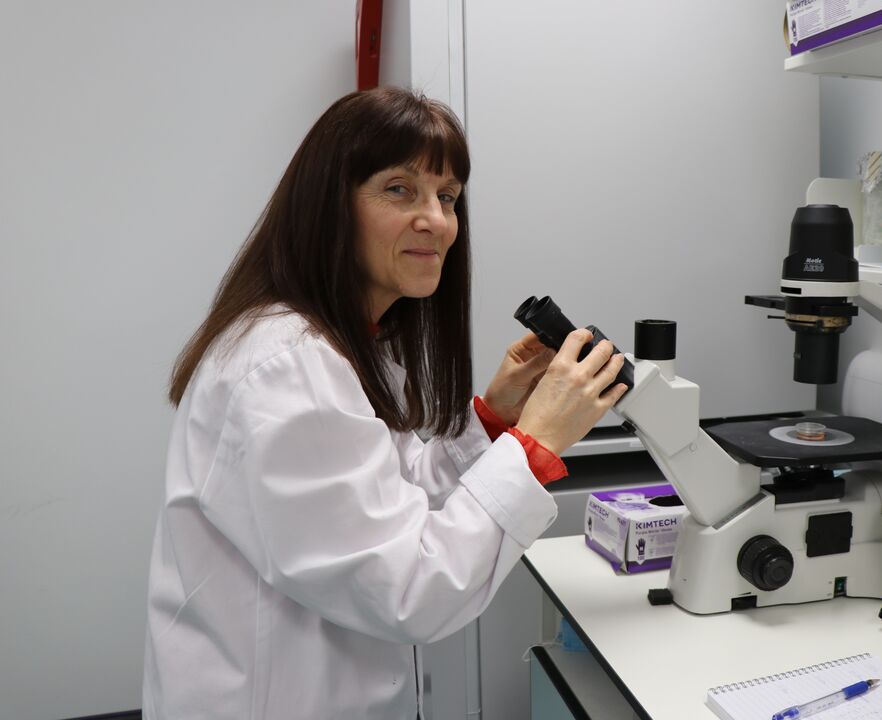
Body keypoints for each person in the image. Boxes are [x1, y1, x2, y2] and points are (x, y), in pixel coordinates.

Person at [141, 86, 627, 719]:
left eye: (447, 196)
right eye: (400, 189)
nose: (437, 220)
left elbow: (389, 503)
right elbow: (410, 589)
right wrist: (534, 448)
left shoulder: (345, 347)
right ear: (330, 208)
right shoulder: (287, 367)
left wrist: (494, 421)